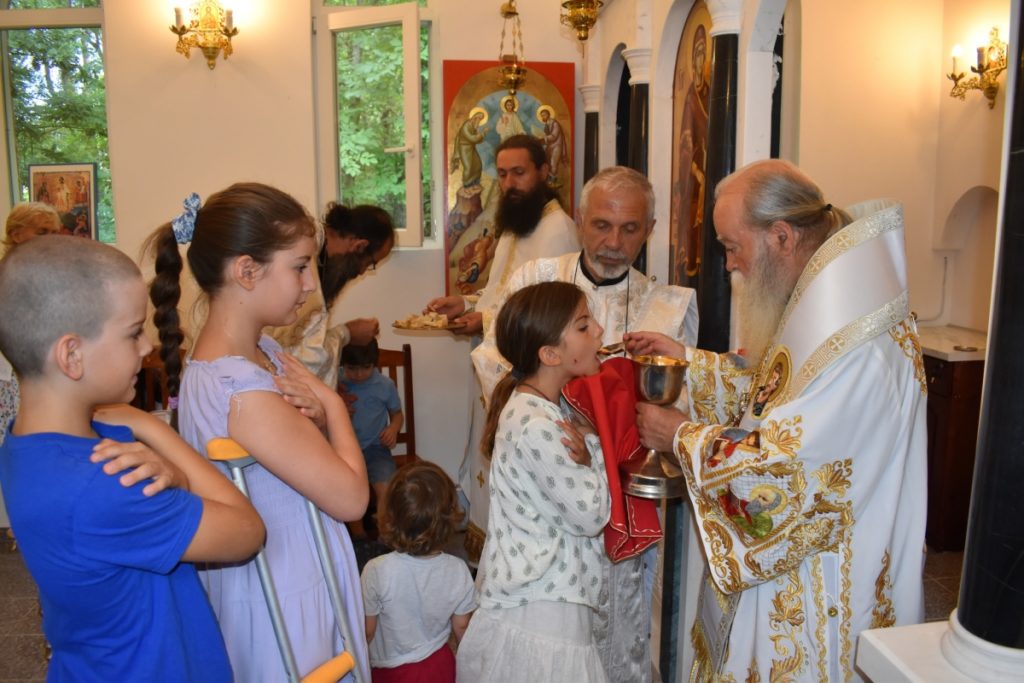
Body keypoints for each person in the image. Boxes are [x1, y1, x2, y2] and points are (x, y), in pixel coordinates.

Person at [631, 159, 927, 681]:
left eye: (731, 246)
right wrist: (691, 363)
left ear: (782, 237)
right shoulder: (821, 302)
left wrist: (680, 436)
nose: (729, 265)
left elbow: (788, 470)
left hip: (825, 583)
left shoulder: (855, 347)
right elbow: (776, 391)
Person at [0, 235, 265, 681]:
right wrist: (152, 428)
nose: (147, 347)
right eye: (132, 331)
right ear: (72, 355)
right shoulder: (107, 480)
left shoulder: (26, 443)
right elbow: (246, 531)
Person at [472, 165, 700, 682]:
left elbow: (680, 402)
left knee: (619, 634)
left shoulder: (669, 305)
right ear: (579, 219)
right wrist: (560, 430)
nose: (614, 242)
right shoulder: (536, 279)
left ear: (651, 228)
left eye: (630, 229)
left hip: (626, 500)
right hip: (548, 503)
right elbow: (493, 361)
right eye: (601, 225)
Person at [148, 183, 372, 681]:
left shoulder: (264, 352)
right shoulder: (243, 391)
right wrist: (333, 407)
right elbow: (353, 499)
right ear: (247, 271)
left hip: (294, 567)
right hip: (284, 590)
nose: (311, 283)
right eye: (299, 266)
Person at [425, 134, 580, 562]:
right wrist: (469, 303)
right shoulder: (516, 224)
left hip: (526, 375)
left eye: (519, 172)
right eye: (503, 173)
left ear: (545, 172)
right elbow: (502, 293)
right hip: (493, 369)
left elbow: (550, 313)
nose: (509, 183)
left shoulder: (557, 229)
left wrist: (485, 320)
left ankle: (511, 560)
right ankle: (486, 562)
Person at [456, 281, 611, 683]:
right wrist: (595, 450)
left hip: (544, 592)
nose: (598, 331)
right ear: (550, 354)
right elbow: (591, 515)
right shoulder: (539, 426)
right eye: (583, 325)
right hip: (544, 603)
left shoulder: (541, 405)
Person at [361, 461, 475, 682]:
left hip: (391, 671)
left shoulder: (376, 570)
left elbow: (367, 631)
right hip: (440, 665)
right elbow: (462, 627)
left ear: (390, 515)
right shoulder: (458, 570)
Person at [271, 202, 395, 389]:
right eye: (370, 263)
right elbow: (308, 359)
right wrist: (346, 333)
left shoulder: (319, 258)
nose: (362, 272)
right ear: (360, 245)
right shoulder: (307, 261)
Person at [1, 201, 64, 528]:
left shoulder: (50, 272)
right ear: (16, 235)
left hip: (41, 372)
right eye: (42, 232)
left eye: (55, 233)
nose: (51, 239)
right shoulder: (7, 276)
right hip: (9, 376)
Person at [340, 340, 403, 507]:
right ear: (342, 363)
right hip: (343, 449)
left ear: (375, 364)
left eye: (365, 367)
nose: (359, 374)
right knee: (345, 490)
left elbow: (397, 414)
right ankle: (358, 533)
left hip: (376, 449)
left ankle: (385, 531)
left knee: (386, 489)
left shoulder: (385, 385)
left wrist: (393, 429)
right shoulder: (336, 381)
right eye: (351, 368)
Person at [672, 22, 710, 282]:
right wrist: (696, 171)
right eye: (694, 55)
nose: (697, 61)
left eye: (701, 55)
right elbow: (685, 142)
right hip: (696, 173)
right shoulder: (690, 98)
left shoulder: (710, 93)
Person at [537, 105, 567, 185]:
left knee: (553, 162)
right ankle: (549, 181)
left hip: (557, 146)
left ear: (549, 114)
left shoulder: (554, 123)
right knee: (547, 163)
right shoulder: (547, 124)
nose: (543, 116)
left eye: (544, 114)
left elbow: (554, 136)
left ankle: (552, 181)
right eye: (542, 115)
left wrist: (543, 139)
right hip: (550, 146)